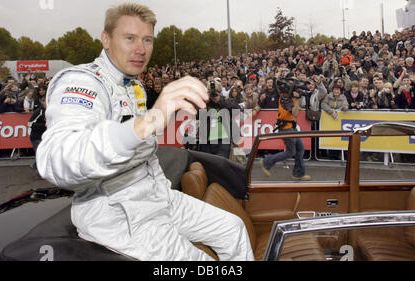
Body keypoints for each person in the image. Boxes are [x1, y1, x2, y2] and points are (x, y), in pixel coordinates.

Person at [36, 3, 253, 261]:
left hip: (158, 197)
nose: (141, 49)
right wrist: (146, 122)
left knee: (233, 229)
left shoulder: (133, 85)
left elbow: (144, 156)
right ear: (106, 39)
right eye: (130, 38)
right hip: (119, 215)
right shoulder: (82, 82)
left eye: (147, 40)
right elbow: (59, 159)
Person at [261, 83, 311, 181]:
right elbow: (295, 113)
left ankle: (298, 173)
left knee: (300, 148)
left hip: (291, 126)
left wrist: (297, 98)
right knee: (290, 151)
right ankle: (267, 162)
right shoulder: (285, 98)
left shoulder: (289, 96)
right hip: (285, 127)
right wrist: (297, 100)